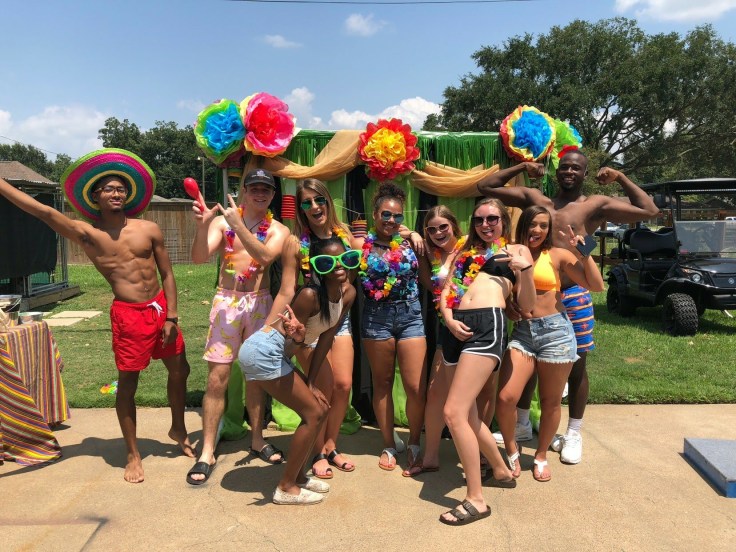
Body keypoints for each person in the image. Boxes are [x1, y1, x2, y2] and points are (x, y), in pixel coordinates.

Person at [0, 149, 195, 484]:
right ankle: (132, 454)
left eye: (121, 188)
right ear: (95, 197)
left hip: (161, 309)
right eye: (108, 189)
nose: (116, 193)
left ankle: (178, 427)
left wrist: (172, 316)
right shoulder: (87, 234)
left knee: (181, 370)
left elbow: (167, 273)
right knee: (128, 384)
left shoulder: (148, 228)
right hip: (128, 315)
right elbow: (43, 211)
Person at [477, 150, 659, 463]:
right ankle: (522, 424)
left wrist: (619, 177)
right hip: (535, 292)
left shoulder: (595, 205)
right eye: (564, 167)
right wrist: (522, 166)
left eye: (576, 168)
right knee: (528, 359)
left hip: (573, 293)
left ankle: (574, 432)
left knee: (576, 367)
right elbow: (486, 186)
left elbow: (649, 209)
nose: (569, 172)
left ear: (585, 173)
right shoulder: (537, 200)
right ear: (556, 171)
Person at [187, 169, 289, 485]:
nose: (260, 193)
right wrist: (202, 227)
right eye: (254, 187)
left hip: (260, 303)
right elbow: (199, 258)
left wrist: (238, 226)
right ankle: (207, 450)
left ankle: (257, 439)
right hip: (227, 302)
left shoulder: (278, 229)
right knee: (217, 377)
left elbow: (265, 256)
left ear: (273, 195)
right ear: (244, 190)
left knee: (255, 376)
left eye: (266, 189)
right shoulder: (223, 223)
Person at [438, 198, 535, 525]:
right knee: (467, 412)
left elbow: (527, 304)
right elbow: (447, 290)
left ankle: (476, 499)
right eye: (479, 219)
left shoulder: (517, 251)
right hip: (454, 328)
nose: (485, 225)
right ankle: (500, 469)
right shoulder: (464, 251)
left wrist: (524, 272)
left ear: (503, 220)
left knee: (453, 412)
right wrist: (448, 319)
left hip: (486, 325)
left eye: (492, 218)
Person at [238, 237, 357, 504]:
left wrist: (311, 382)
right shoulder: (310, 295)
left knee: (321, 407)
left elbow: (326, 337)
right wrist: (300, 339)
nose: (338, 266)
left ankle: (299, 477)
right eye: (328, 262)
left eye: (344, 259)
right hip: (263, 351)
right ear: (317, 267)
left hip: (278, 354)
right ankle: (286, 487)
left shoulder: (348, 293)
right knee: (313, 414)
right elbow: (292, 342)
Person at [496, 206, 604, 482]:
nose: (537, 230)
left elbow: (596, 285)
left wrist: (585, 251)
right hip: (523, 333)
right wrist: (508, 304)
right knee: (506, 397)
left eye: (543, 226)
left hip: (556, 333)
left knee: (550, 400)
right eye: (533, 224)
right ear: (524, 225)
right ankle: (512, 450)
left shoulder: (556, 255)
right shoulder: (509, 251)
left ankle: (541, 455)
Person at [267, 178, 358, 479]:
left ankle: (331, 445)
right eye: (307, 202)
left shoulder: (343, 234)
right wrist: (271, 326)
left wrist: (409, 233)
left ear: (328, 201)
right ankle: (317, 451)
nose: (314, 206)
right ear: (300, 208)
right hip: (310, 324)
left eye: (319, 199)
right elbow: (287, 289)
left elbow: (352, 274)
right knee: (323, 385)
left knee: (343, 384)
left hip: (339, 317)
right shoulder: (295, 242)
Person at [355, 182, 427, 472]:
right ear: (374, 214)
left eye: (397, 216)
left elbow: (428, 277)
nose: (391, 220)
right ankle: (388, 443)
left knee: (415, 386)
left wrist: (415, 234)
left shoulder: (411, 243)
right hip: (376, 317)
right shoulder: (361, 245)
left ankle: (414, 442)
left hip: (411, 314)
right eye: (386, 214)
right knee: (382, 383)